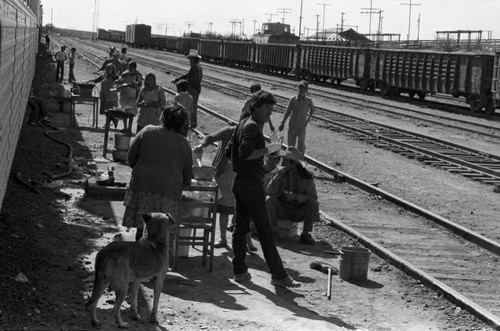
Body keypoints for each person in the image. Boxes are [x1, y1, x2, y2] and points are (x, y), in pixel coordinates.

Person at [228, 90, 300, 288]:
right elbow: (244, 153)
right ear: (257, 107)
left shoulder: (242, 124)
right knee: (265, 230)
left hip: (241, 182)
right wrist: (269, 149)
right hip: (251, 185)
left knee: (240, 228)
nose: (269, 114)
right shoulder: (252, 127)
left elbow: (230, 151)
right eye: (267, 109)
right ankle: (278, 274)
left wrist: (264, 163)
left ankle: (240, 270)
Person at [123, 102, 193, 241]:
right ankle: (158, 260)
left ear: (163, 118)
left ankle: (140, 256)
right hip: (168, 193)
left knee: (142, 228)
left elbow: (131, 158)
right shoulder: (184, 143)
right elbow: (187, 176)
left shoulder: (147, 131)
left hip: (142, 188)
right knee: (162, 233)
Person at [193, 125, 257, 251]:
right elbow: (211, 137)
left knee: (243, 209)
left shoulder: (253, 133)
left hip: (241, 174)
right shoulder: (229, 131)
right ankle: (223, 238)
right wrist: (202, 145)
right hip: (224, 173)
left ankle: (247, 240)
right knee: (224, 208)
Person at [265, 146, 319, 245]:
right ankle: (273, 230)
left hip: (297, 210)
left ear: (293, 164)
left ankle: (306, 234)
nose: (283, 163)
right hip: (282, 209)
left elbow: (313, 197)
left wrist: (296, 197)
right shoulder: (279, 172)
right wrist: (277, 177)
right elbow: (269, 192)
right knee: (269, 200)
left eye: (286, 161)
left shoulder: (306, 177)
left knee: (314, 204)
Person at [278, 80, 315, 154]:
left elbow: (312, 110)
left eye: (303, 89)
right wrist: (282, 123)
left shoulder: (309, 101)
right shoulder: (293, 99)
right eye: (300, 88)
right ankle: (290, 160)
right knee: (291, 145)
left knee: (301, 144)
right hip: (292, 125)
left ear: (306, 90)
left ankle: (300, 160)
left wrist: (307, 120)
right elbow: (287, 112)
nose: (301, 90)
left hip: (302, 126)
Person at [172, 49, 203, 128]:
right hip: (196, 88)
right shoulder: (198, 67)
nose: (190, 61)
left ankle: (192, 123)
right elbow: (187, 75)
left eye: (191, 59)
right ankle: (192, 122)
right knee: (193, 106)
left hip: (193, 89)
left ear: (194, 59)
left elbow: (192, 80)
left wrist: (183, 84)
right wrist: (178, 79)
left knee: (190, 106)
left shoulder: (194, 68)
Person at [115, 61, 143, 131]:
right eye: (129, 66)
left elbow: (138, 85)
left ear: (134, 67)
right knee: (124, 111)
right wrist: (117, 82)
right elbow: (120, 80)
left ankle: (129, 128)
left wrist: (137, 96)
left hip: (132, 95)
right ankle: (125, 127)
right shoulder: (125, 73)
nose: (129, 68)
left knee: (130, 112)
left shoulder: (138, 75)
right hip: (124, 94)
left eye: (131, 66)